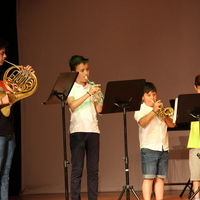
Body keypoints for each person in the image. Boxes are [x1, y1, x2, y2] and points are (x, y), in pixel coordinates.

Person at [0, 38, 34, 200]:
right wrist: (7, 99)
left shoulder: (3, 74)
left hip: (8, 130)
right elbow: (7, 98)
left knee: (5, 174)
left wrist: (25, 76)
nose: (5, 56)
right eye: (1, 53)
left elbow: (15, 92)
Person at [66, 55, 103, 200]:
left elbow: (100, 110)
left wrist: (99, 96)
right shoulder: (70, 87)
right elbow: (72, 105)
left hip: (93, 131)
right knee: (77, 169)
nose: (86, 73)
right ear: (74, 72)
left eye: (87, 69)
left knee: (93, 170)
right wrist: (88, 94)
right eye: (82, 70)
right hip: (77, 131)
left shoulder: (91, 87)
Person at [134, 82, 176, 200]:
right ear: (142, 97)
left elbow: (172, 125)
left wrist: (164, 115)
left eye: (154, 95)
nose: (152, 98)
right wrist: (153, 111)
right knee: (148, 178)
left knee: (160, 178)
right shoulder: (140, 109)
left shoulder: (161, 109)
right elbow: (142, 123)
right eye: (149, 95)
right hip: (149, 147)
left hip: (163, 147)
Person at [187, 74, 200, 200]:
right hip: (195, 141)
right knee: (196, 176)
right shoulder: (190, 102)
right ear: (195, 87)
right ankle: (197, 198)